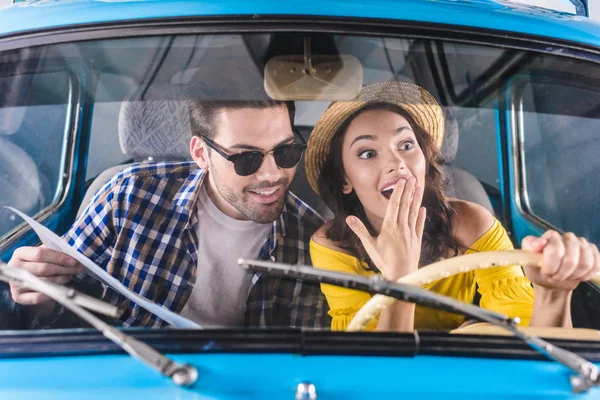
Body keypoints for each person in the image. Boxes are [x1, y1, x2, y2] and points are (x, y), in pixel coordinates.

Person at [9, 99, 330, 329]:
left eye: (286, 151)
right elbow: (60, 303)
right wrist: (36, 288)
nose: (272, 174)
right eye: (247, 158)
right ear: (201, 154)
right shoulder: (129, 197)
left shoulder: (313, 243)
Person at [304, 81, 600, 332]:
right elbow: (369, 371)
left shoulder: (472, 223)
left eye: (406, 145)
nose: (397, 163)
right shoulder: (333, 246)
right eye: (368, 153)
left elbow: (523, 336)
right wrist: (399, 280)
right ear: (345, 180)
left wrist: (553, 294)